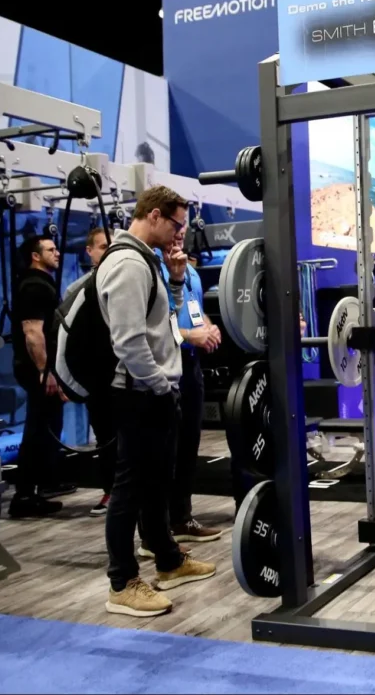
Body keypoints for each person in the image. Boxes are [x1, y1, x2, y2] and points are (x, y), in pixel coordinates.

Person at [99, 185, 215, 618]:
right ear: (153, 216)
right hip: (139, 393)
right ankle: (122, 582)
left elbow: (163, 323)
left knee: (155, 483)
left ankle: (167, 560)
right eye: (175, 223)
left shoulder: (147, 260)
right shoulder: (128, 264)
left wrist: (179, 278)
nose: (178, 232)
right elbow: (129, 342)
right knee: (128, 489)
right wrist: (161, 386)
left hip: (154, 390)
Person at [152, 232, 222, 544]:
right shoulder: (151, 267)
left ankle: (181, 518)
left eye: (182, 229)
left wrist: (207, 326)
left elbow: (194, 309)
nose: (179, 234)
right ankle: (158, 528)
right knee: (164, 451)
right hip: (165, 361)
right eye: (174, 227)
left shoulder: (189, 270)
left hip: (191, 366)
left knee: (189, 447)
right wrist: (187, 336)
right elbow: (155, 325)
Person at [9, 235, 73, 518]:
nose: (57, 253)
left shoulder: (42, 283)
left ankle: (40, 487)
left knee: (47, 426)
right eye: (50, 250)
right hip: (37, 369)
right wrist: (44, 371)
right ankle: (24, 496)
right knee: (37, 429)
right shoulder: (34, 286)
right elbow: (33, 333)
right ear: (36, 256)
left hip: (43, 368)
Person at [66, 228, 118, 517]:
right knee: (106, 438)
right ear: (90, 251)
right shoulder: (76, 290)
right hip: (98, 381)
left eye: (110, 246)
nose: (107, 251)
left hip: (128, 375)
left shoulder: (126, 282)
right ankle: (110, 492)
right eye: (101, 247)